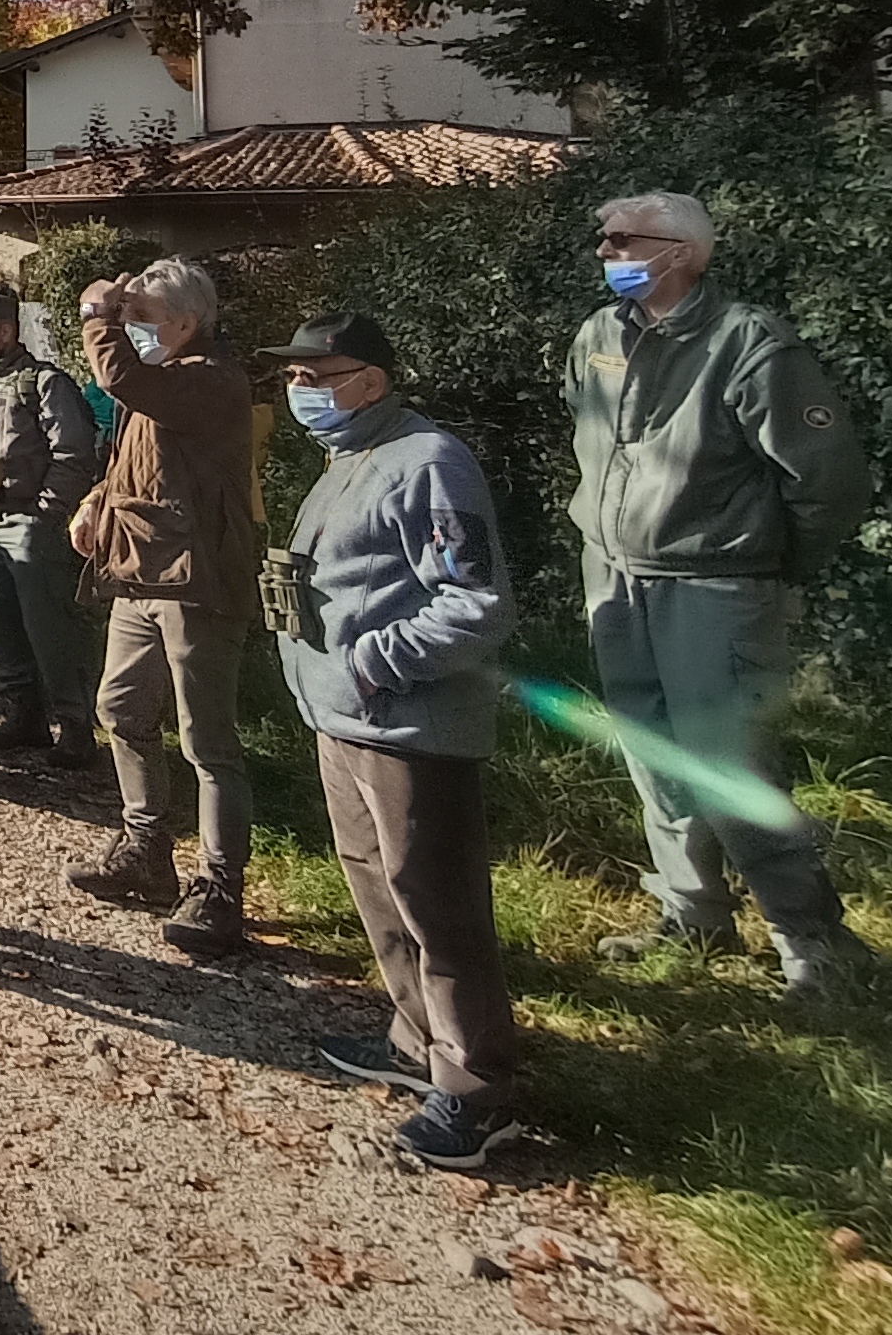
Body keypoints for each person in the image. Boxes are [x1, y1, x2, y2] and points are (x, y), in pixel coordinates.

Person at [568, 191, 875, 995]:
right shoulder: (599, 336)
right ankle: (691, 911)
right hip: (616, 575)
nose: (607, 251)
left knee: (730, 763)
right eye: (604, 239)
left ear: (682, 253)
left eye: (624, 240)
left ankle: (810, 938)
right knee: (652, 754)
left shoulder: (750, 344)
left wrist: (767, 566)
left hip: (714, 582)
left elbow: (828, 482)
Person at [263, 310, 523, 1171]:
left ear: (369, 381)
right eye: (293, 378)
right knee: (378, 889)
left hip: (409, 728)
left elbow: (475, 604)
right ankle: (415, 1039)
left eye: (317, 375)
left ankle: (477, 1093)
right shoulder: (348, 459)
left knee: (439, 907)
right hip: (344, 722)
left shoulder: (428, 461)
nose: (300, 391)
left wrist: (378, 662)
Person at [65, 256, 263, 957]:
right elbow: (132, 456)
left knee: (207, 738)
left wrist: (97, 311)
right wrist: (96, 501)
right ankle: (147, 849)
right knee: (121, 709)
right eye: (127, 319)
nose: (130, 329)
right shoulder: (163, 383)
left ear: (186, 323)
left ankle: (218, 885)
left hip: (196, 578)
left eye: (142, 320)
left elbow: (120, 376)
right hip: (135, 572)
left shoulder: (212, 379)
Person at [0, 286, 103, 768]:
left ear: (8, 329)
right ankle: (24, 716)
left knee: (49, 629)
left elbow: (73, 454)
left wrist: (46, 511)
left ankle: (76, 727)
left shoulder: (44, 383)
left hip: (27, 519)